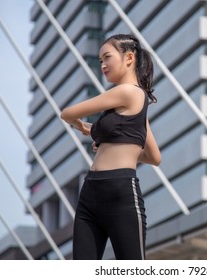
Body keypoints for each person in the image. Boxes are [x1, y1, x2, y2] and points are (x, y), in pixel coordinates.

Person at [61, 34, 161, 260]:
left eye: (107, 57)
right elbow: (154, 157)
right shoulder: (137, 102)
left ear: (129, 58)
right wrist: (122, 146)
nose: (103, 65)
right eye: (100, 60)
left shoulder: (126, 91)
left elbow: (67, 113)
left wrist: (84, 127)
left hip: (120, 192)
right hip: (90, 192)